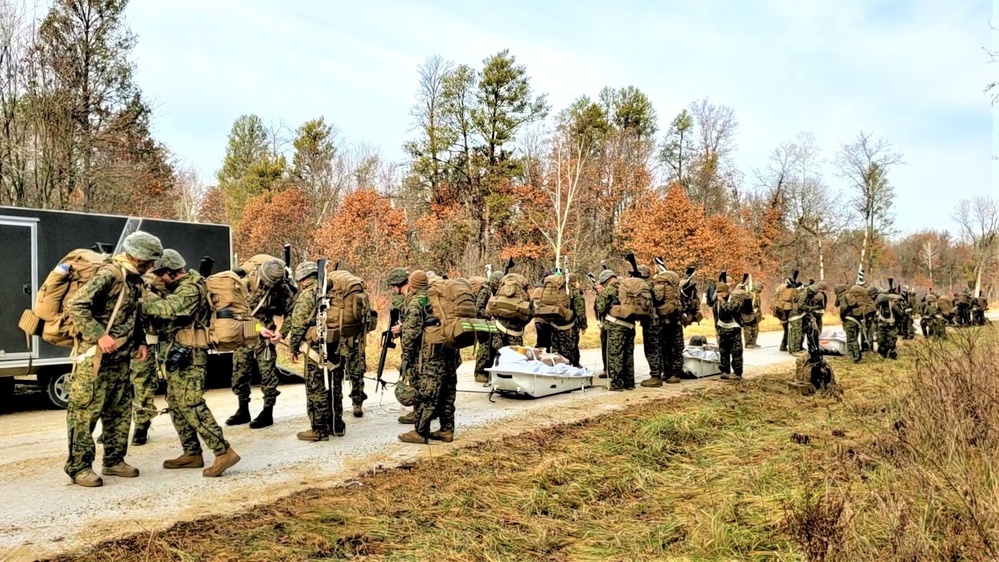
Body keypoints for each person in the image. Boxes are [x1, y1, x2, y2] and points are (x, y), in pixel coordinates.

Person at [64, 231, 162, 487]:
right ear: (137, 256)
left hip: (120, 358)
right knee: (85, 413)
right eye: (149, 260)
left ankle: (113, 460)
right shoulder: (110, 274)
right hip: (94, 359)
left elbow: (132, 314)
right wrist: (98, 335)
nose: (151, 265)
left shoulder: (134, 279)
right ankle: (79, 467)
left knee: (119, 410)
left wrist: (140, 341)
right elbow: (77, 305)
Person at [142, 249, 240, 476]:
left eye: (160, 274)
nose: (158, 278)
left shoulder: (190, 288)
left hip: (191, 354)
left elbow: (171, 309)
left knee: (191, 404)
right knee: (176, 404)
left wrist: (140, 304)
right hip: (178, 353)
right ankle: (192, 452)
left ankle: (223, 451)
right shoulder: (177, 288)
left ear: (169, 272)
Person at [226, 259, 295, 429]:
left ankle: (267, 412)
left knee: (268, 374)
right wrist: (258, 327)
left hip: (267, 335)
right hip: (247, 329)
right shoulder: (247, 282)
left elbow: (292, 313)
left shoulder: (281, 287)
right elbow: (237, 312)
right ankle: (243, 410)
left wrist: (281, 333)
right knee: (240, 372)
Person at [398, 271, 458, 444]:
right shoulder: (439, 298)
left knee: (428, 393)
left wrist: (406, 357)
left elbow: (410, 334)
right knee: (447, 390)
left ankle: (421, 432)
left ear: (412, 284)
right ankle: (447, 429)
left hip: (430, 354)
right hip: (449, 349)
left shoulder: (418, 302)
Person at [281, 261, 336, 441]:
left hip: (316, 346)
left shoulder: (307, 295)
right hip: (334, 343)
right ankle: (336, 425)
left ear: (302, 278)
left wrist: (293, 347)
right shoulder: (332, 290)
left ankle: (319, 430)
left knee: (315, 387)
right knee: (333, 385)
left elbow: (298, 324)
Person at [385, 267, 417, 425]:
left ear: (398, 284)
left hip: (416, 346)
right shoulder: (411, 296)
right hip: (416, 344)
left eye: (393, 286)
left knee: (416, 376)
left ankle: (419, 412)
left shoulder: (412, 298)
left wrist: (401, 328)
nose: (393, 290)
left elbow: (417, 322)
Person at [595, 270, 636, 390]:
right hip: (630, 325)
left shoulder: (609, 289)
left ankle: (617, 383)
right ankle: (629, 383)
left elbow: (601, 308)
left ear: (605, 280)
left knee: (615, 354)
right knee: (628, 354)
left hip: (615, 326)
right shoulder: (628, 287)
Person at [707, 274, 745, 381]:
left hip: (733, 329)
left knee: (736, 352)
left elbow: (730, 310)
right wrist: (717, 330)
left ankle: (737, 372)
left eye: (721, 292)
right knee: (723, 352)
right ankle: (725, 370)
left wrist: (723, 301)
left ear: (726, 292)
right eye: (717, 292)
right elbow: (716, 317)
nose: (719, 295)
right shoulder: (716, 304)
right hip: (722, 329)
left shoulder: (734, 300)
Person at [473, 272, 502, 383]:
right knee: (484, 348)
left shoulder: (493, 292)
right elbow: (478, 309)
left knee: (492, 348)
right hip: (482, 324)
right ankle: (479, 373)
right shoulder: (485, 291)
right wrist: (491, 315)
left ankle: (488, 371)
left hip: (490, 324)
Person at [635, 265, 662, 383]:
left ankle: (655, 376)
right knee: (658, 347)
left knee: (651, 349)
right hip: (658, 320)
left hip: (651, 322)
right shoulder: (653, 285)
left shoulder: (644, 286)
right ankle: (660, 373)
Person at [743, 281, 763, 349]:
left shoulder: (756, 295)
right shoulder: (749, 295)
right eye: (759, 290)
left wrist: (760, 315)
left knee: (755, 329)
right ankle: (748, 343)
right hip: (748, 315)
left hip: (755, 315)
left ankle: (753, 342)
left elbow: (758, 306)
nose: (760, 291)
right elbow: (746, 306)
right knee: (748, 329)